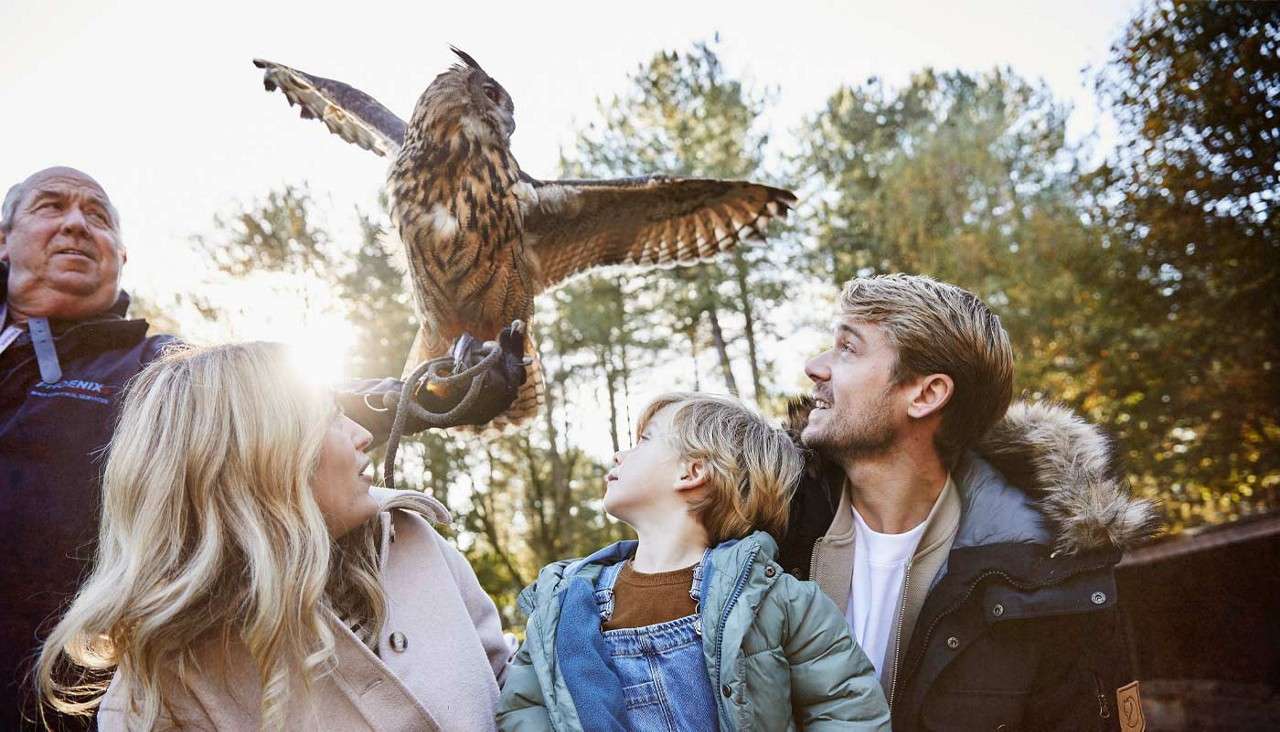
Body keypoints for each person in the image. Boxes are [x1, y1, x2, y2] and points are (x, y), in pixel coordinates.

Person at [0, 166, 524, 728]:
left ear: (122, 254)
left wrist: (427, 395)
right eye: (50, 207)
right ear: (4, 240)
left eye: (98, 216)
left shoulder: (160, 372)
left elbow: (276, 406)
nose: (77, 224)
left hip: (87, 687)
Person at [36, 341, 512, 729]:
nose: (362, 434)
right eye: (329, 417)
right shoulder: (161, 692)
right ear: (255, 460)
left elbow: (512, 692)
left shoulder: (415, 539)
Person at [777, 274, 1162, 730]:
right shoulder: (762, 524)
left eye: (848, 348)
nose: (814, 366)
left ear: (926, 394)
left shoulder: (1054, 578)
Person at [498, 392, 891, 731]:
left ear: (693, 472)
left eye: (644, 441)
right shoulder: (561, 605)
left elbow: (847, 708)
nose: (620, 454)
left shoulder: (777, 600)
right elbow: (524, 710)